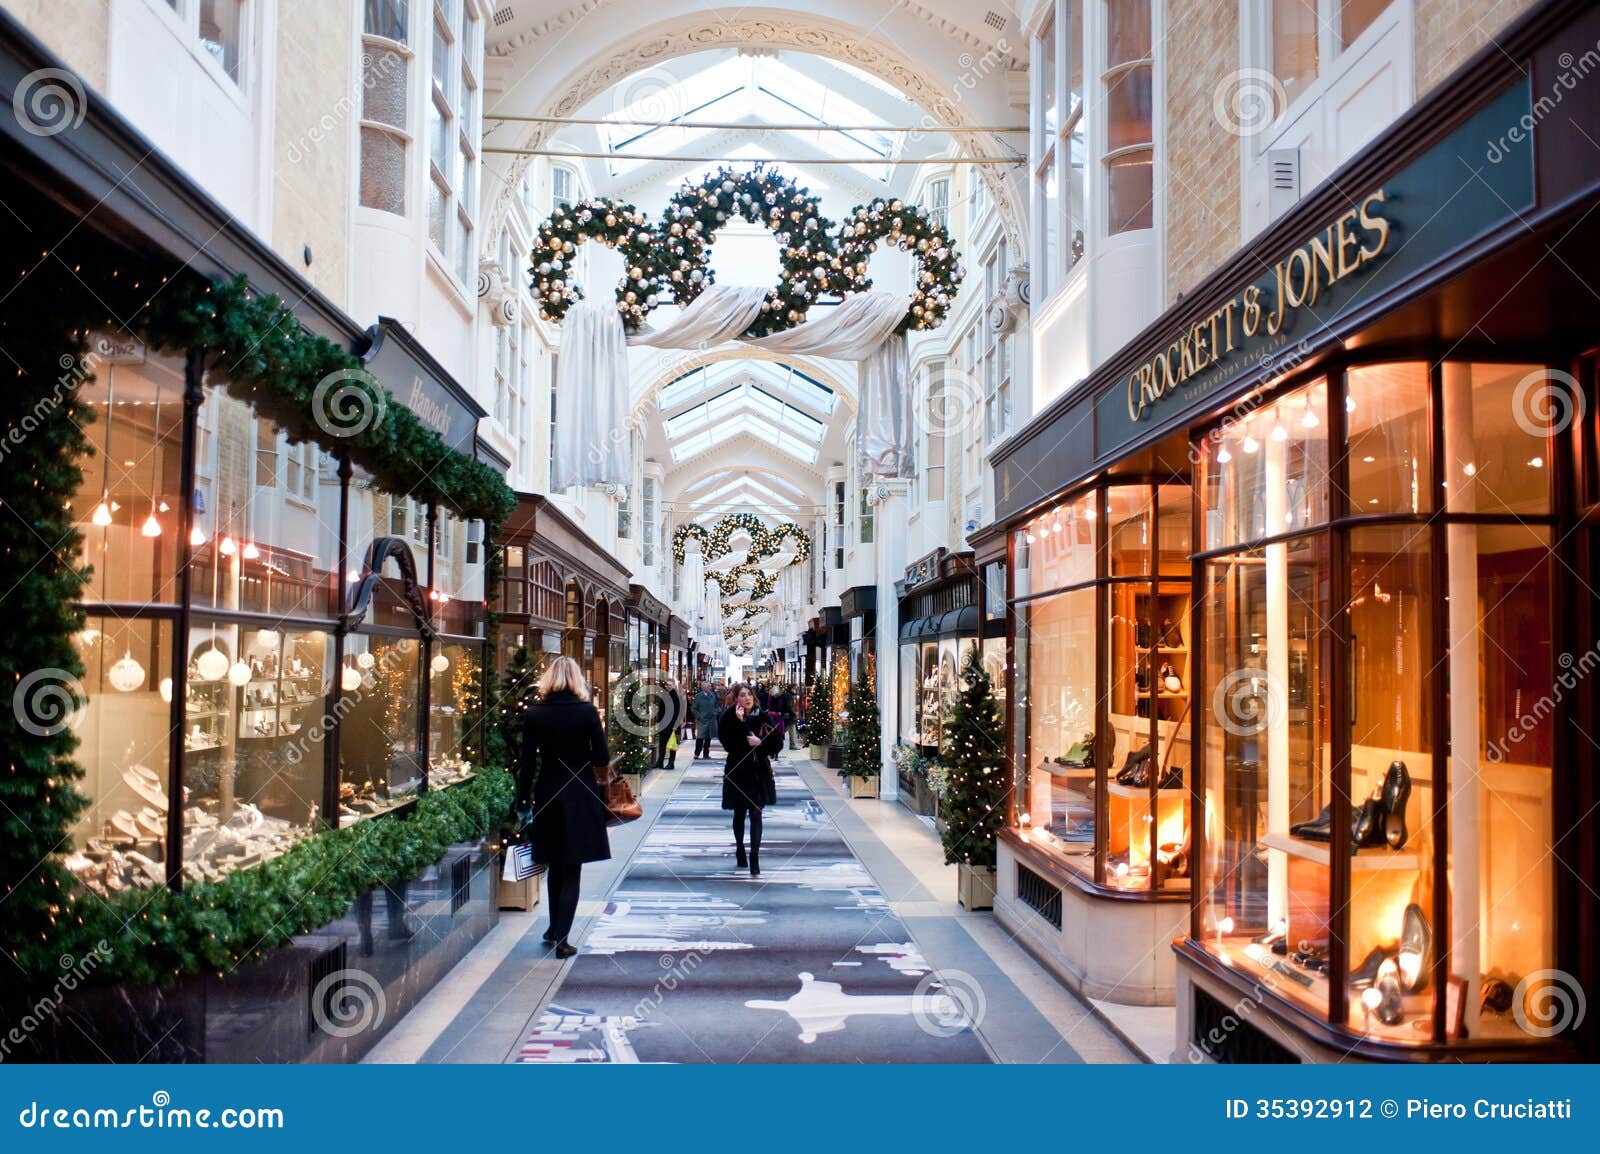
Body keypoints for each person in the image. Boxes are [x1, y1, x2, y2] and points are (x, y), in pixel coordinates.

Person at [514, 656, 611, 959]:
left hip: (548, 791)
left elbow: (527, 763)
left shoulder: (535, 714)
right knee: (572, 867)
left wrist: (521, 800)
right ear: (577, 679)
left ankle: (554, 928)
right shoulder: (586, 712)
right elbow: (602, 757)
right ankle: (563, 939)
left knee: (554, 863)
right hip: (580, 793)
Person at [718, 684, 781, 875]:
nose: (747, 698)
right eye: (742, 695)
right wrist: (739, 722)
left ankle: (755, 856)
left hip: (758, 773)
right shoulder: (728, 717)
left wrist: (760, 743)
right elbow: (728, 744)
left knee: (756, 812)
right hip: (738, 771)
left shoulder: (763, 717)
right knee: (739, 812)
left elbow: (777, 744)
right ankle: (740, 847)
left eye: (749, 695)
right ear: (736, 698)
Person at [656, 677, 685, 769]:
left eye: (670, 685)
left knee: (672, 745)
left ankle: (671, 763)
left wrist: (676, 725)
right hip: (663, 724)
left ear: (673, 686)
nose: (668, 686)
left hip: (672, 725)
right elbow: (661, 710)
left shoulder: (676, 697)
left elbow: (678, 712)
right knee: (662, 744)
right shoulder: (664, 695)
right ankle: (660, 762)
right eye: (667, 685)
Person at [692, 681, 720, 759]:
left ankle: (706, 754)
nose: (710, 688)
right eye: (709, 686)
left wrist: (716, 712)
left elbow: (717, 706)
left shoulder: (713, 695)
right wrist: (699, 716)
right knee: (700, 737)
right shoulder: (698, 696)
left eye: (710, 686)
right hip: (702, 720)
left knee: (708, 738)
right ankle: (697, 753)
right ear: (703, 688)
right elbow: (694, 709)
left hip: (711, 720)